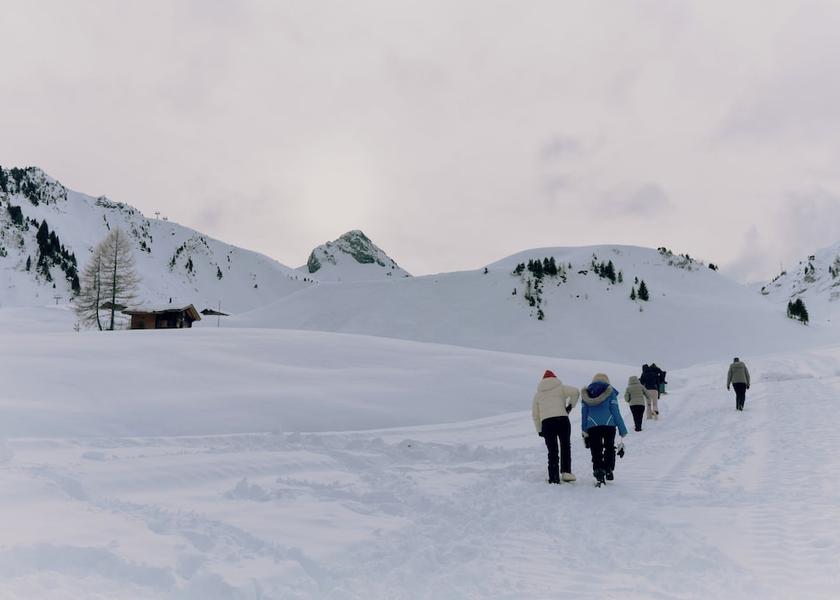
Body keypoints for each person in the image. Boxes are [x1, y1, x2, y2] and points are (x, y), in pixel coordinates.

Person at [532, 370, 580, 484]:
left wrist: (539, 430)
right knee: (565, 446)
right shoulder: (561, 387)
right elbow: (576, 392)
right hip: (562, 420)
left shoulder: (538, 395)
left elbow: (535, 414)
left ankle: (553, 477)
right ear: (554, 378)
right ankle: (566, 472)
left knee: (552, 450)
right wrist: (570, 406)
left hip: (547, 423)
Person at [581, 373, 628, 485]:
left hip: (592, 426)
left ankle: (598, 471)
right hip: (609, 425)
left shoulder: (586, 394)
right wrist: (622, 429)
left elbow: (584, 414)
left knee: (596, 449)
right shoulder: (610, 392)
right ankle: (608, 469)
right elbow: (615, 412)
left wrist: (584, 431)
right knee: (609, 447)